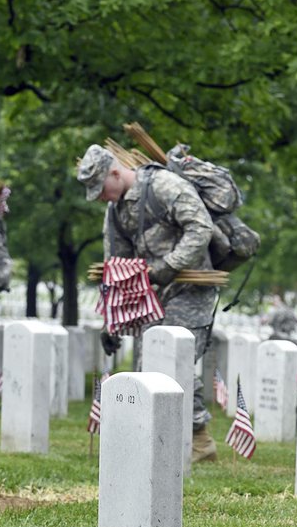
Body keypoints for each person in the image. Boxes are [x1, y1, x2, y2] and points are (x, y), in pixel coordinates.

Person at [76, 144, 220, 462]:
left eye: (101, 188)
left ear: (115, 172)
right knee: (146, 368)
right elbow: (116, 264)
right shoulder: (115, 210)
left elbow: (200, 228)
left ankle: (199, 439)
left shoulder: (164, 186)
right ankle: (154, 441)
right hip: (151, 295)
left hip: (189, 290)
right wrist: (111, 321)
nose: (100, 196)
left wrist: (166, 266)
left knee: (173, 362)